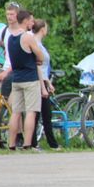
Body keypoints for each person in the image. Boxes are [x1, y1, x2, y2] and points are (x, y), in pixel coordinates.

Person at [3, 10, 45, 150]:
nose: (32, 23)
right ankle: (27, 143)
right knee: (31, 111)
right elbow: (40, 56)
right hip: (30, 78)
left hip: (16, 78)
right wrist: (37, 60)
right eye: (31, 20)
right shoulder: (27, 37)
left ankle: (12, 143)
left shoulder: (10, 38)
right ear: (25, 20)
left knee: (16, 112)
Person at [32, 19, 61, 150]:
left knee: (43, 113)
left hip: (43, 79)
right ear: (43, 29)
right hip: (39, 80)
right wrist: (43, 85)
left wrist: (48, 82)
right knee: (42, 113)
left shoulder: (39, 44)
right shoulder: (36, 44)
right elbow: (38, 66)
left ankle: (45, 142)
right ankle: (45, 143)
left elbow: (43, 67)